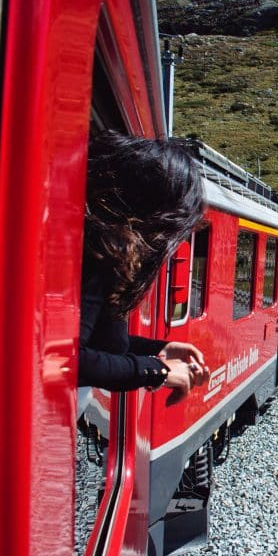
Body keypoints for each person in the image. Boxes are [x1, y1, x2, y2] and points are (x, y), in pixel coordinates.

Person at [79, 130, 209, 405]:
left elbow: (98, 347)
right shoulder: (98, 252)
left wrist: (159, 350)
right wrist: (158, 370)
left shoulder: (102, 247)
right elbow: (67, 359)